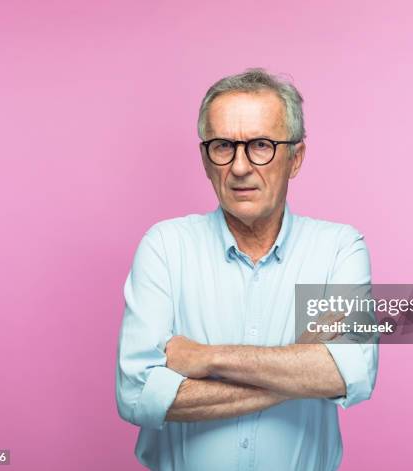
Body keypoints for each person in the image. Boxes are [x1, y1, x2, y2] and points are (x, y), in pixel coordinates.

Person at [115, 68, 378, 470]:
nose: (239, 167)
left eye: (260, 145)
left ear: (296, 158)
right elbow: (137, 393)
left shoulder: (339, 248)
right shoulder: (165, 247)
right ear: (205, 159)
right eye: (223, 146)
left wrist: (207, 358)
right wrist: (302, 375)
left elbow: (352, 371)